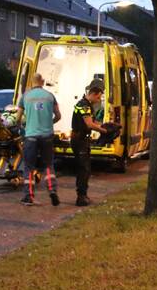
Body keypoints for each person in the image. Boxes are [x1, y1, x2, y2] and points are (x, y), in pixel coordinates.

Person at [21, 73, 62, 206]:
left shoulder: (25, 96)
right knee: (49, 165)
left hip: (31, 136)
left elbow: (17, 117)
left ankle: (29, 196)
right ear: (42, 82)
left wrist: (23, 125)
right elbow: (58, 116)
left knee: (29, 166)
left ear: (31, 83)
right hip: (47, 136)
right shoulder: (50, 96)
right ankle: (52, 190)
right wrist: (49, 123)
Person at [72, 79, 110, 206]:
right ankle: (81, 197)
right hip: (79, 140)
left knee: (86, 169)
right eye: (100, 96)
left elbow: (91, 123)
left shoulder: (87, 105)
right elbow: (88, 124)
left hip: (82, 139)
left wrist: (103, 125)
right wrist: (103, 130)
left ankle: (83, 195)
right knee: (83, 169)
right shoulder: (84, 105)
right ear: (94, 93)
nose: (100, 99)